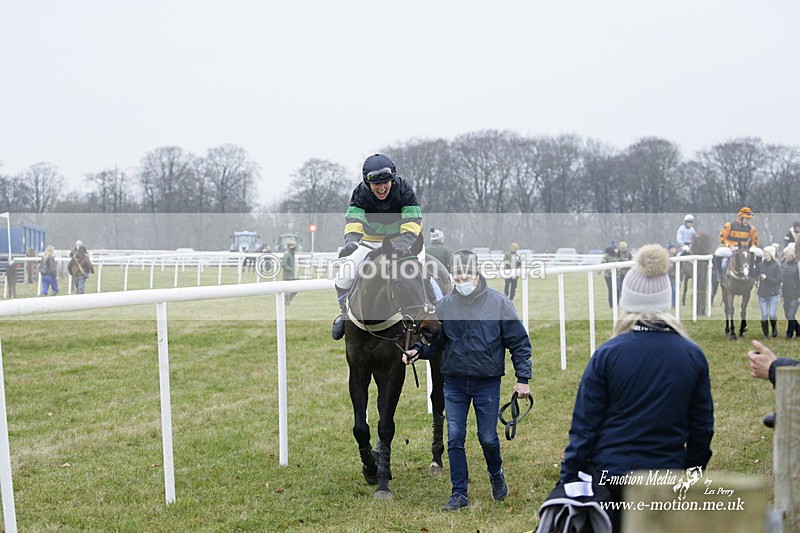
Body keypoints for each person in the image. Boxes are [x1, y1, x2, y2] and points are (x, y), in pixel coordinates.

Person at [558, 244, 714, 532]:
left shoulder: (607, 355)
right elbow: (701, 429)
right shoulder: (692, 355)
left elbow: (585, 426)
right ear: (666, 300)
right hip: (666, 476)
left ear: (626, 301)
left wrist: (569, 476)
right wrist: (691, 475)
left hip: (611, 478)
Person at [401, 249, 532, 511]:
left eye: (466, 274)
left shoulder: (499, 303)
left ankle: (496, 473)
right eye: (457, 275)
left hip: (487, 382)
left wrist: (523, 378)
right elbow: (438, 344)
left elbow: (519, 342)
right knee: (455, 438)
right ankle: (458, 493)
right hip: (454, 382)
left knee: (488, 438)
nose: (462, 280)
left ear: (476, 273)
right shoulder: (445, 305)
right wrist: (418, 351)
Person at [331, 153, 423, 340]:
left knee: (422, 273)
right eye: (376, 184)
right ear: (368, 184)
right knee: (344, 276)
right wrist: (351, 242)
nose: (381, 188)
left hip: (404, 241)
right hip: (370, 241)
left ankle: (435, 311)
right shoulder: (360, 193)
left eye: (385, 183)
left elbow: (413, 221)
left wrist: (402, 245)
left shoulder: (404, 190)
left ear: (393, 180)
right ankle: (344, 314)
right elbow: (354, 220)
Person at [717, 206, 760, 276]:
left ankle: (756, 274)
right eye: (746, 219)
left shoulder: (751, 228)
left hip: (745, 249)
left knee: (760, 252)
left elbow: (755, 241)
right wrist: (729, 246)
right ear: (741, 218)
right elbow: (722, 238)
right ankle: (719, 274)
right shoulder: (729, 225)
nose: (747, 221)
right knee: (718, 252)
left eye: (748, 219)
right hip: (731, 248)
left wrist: (749, 247)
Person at [755, 245, 781, 338]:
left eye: (766, 252)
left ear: (771, 254)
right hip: (762, 294)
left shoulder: (776, 266)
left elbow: (778, 280)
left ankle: (774, 328)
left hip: (773, 294)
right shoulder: (760, 265)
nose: (764, 254)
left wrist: (767, 278)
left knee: (772, 314)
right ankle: (766, 334)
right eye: (764, 252)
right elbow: (753, 273)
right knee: (764, 314)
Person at [781, 246, 800, 338]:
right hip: (786, 294)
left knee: (791, 315)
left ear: (792, 256)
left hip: (795, 295)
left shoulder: (798, 266)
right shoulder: (784, 264)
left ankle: (789, 334)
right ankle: (798, 330)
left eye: (786, 255)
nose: (785, 257)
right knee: (787, 314)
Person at [601, 244, 621, 308]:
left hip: (617, 275)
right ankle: (611, 304)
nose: (616, 250)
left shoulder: (618, 256)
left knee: (617, 289)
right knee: (611, 290)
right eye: (615, 249)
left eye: (617, 249)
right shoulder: (607, 257)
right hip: (608, 276)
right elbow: (602, 263)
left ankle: (617, 303)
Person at [280, 240, 298, 304]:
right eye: (292, 245)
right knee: (288, 290)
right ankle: (286, 301)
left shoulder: (292, 254)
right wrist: (290, 269)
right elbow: (283, 264)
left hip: (292, 275)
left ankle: (287, 301)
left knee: (296, 289)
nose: (293, 247)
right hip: (288, 276)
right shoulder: (287, 254)